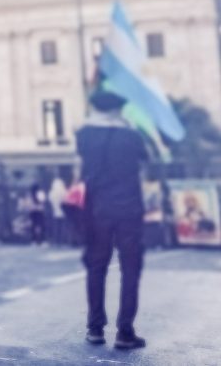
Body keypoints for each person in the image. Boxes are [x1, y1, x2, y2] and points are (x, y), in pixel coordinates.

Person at [77, 89, 148, 350]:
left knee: (96, 267)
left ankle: (95, 328)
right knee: (130, 269)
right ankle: (125, 332)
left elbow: (85, 160)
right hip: (129, 209)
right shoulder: (131, 135)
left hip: (96, 210)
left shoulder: (84, 135)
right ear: (118, 110)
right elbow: (144, 160)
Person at [47, 176, 68, 245]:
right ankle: (63, 241)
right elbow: (66, 200)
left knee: (56, 227)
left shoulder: (51, 193)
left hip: (55, 211)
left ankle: (56, 241)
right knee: (63, 227)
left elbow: (50, 201)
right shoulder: (64, 191)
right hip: (64, 211)